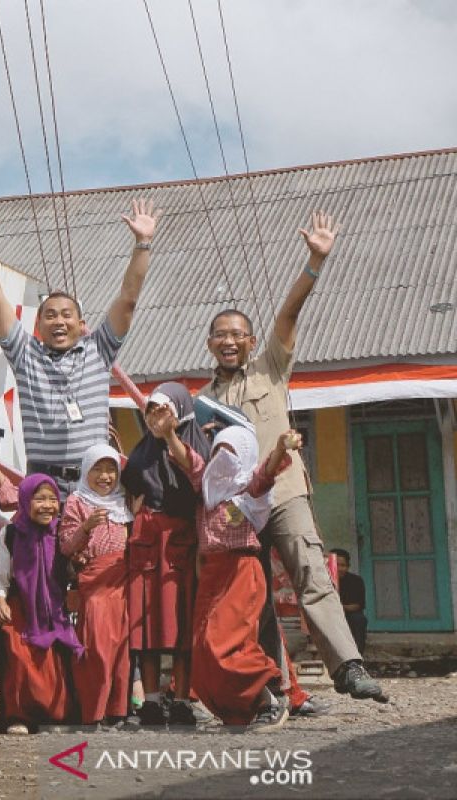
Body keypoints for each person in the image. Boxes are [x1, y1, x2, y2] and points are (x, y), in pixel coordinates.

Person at [196, 211, 386, 703]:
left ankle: (349, 667)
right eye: (221, 334)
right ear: (210, 344)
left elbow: (289, 313)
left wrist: (315, 261)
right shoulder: (202, 401)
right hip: (238, 511)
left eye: (238, 333)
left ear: (251, 341)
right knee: (252, 598)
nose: (230, 340)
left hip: (282, 493)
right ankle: (275, 686)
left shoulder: (270, 369)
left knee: (313, 577)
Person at [0, 200, 161, 496]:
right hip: (44, 488)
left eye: (66, 315)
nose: (59, 321)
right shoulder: (25, 355)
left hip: (93, 485)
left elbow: (128, 299)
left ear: (81, 322)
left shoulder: (99, 351)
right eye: (50, 315)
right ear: (38, 324)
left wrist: (143, 243)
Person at [173, 425, 299, 728]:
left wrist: (281, 446)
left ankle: (270, 697)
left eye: (230, 452)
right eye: (218, 451)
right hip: (211, 575)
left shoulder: (248, 489)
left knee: (225, 643)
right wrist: (167, 436)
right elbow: (188, 460)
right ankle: (244, 706)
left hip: (240, 571)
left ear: (243, 456)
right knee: (203, 648)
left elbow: (265, 474)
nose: (223, 458)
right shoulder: (207, 487)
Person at [119, 383, 208, 726]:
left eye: (164, 409)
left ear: (182, 410)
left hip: (182, 543)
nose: (157, 418)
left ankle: (183, 698)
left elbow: (195, 476)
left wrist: (171, 435)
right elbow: (131, 488)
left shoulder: (198, 445)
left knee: (181, 624)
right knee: (149, 626)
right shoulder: (143, 450)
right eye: (152, 411)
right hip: (146, 543)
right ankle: (153, 700)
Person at [0, 474, 83, 733]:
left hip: (53, 609)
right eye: (39, 499)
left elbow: (70, 571)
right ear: (25, 500)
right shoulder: (10, 533)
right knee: (19, 656)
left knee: (54, 660)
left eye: (53, 499)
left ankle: (54, 716)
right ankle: (18, 717)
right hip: (21, 606)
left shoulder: (62, 532)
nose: (48, 506)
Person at [59, 445, 132, 727]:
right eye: (98, 469)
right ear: (86, 471)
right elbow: (66, 546)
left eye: (111, 469)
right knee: (97, 648)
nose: (105, 476)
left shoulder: (123, 503)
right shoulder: (77, 501)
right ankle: (93, 712)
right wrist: (86, 527)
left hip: (122, 582)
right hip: (96, 582)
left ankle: (116, 711)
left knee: (121, 651)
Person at [332, 549, 368, 655]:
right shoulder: (324, 580)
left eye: (343, 565)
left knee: (359, 619)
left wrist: (341, 608)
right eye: (336, 565)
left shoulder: (356, 581)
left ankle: (357, 657)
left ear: (348, 566)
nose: (339, 569)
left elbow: (357, 605)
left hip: (348, 614)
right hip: (329, 616)